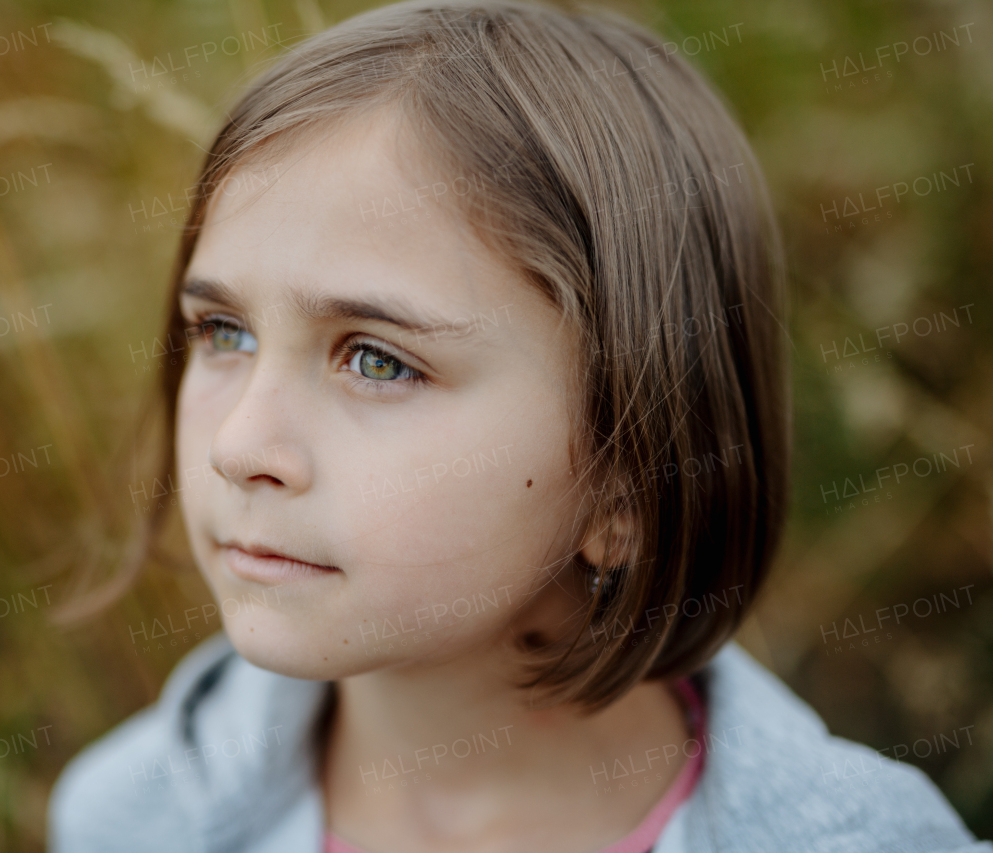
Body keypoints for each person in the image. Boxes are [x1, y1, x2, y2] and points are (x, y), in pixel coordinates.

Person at [48, 1, 990, 850]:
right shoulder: (132, 814)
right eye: (223, 331)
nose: (239, 446)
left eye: (378, 360)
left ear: (628, 481)